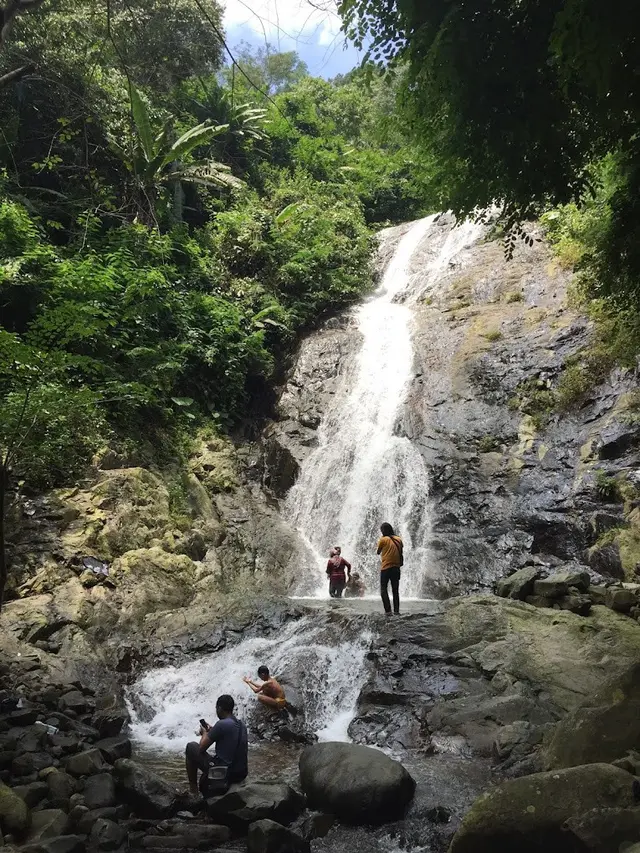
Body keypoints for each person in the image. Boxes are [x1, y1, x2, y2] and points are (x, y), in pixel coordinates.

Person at [185, 694, 248, 796]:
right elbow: (228, 734)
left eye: (216, 708)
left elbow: (201, 748)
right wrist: (213, 730)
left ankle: (193, 791)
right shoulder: (242, 725)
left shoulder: (221, 724)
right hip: (240, 774)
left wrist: (204, 733)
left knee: (191, 747)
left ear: (219, 708)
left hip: (225, 773)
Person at [376, 522, 403, 615]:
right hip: (396, 568)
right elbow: (401, 552)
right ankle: (396, 611)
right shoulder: (399, 539)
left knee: (383, 589)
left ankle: (388, 611)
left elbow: (378, 552)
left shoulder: (383, 539)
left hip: (386, 567)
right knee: (395, 590)